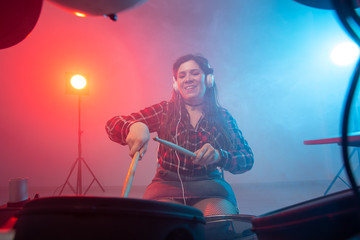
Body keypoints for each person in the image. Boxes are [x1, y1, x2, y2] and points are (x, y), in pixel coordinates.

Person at [105, 54, 254, 216]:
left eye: (194, 73)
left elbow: (246, 158)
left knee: (216, 223)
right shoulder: (164, 110)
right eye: (181, 76)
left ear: (208, 79)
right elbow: (112, 125)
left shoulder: (223, 116)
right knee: (164, 224)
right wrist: (133, 126)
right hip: (165, 186)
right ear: (176, 84)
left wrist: (219, 155)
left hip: (209, 186)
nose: (188, 79)